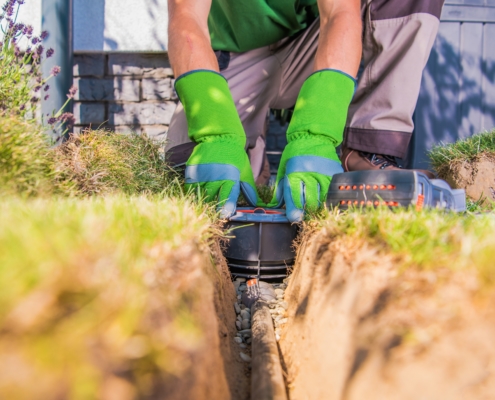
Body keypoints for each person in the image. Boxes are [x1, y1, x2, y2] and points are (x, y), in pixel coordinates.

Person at [166, 0, 444, 222]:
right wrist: (215, 133)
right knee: (187, 169)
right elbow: (185, 15)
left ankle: (366, 149)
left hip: (314, 45)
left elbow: (339, 12)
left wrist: (317, 134)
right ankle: (251, 152)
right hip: (235, 55)